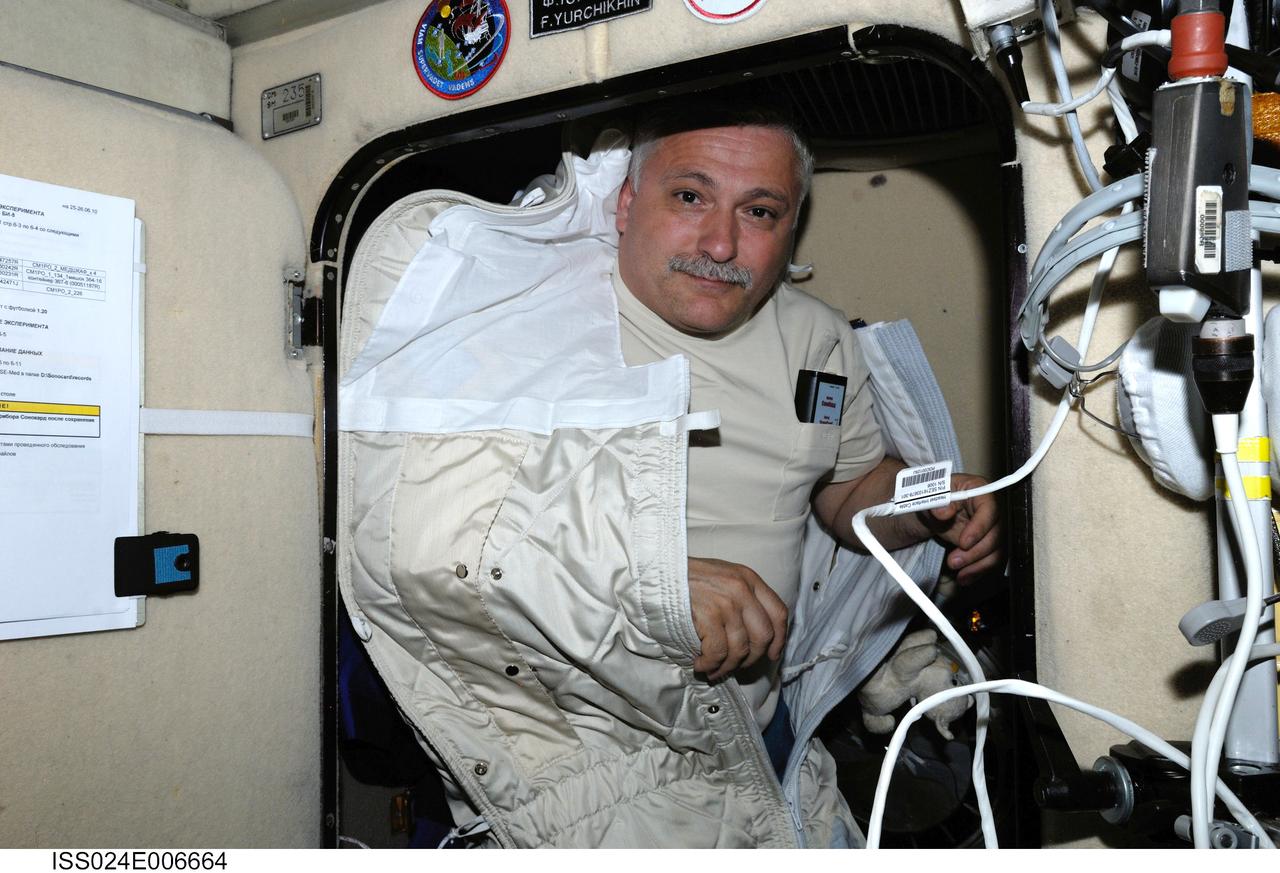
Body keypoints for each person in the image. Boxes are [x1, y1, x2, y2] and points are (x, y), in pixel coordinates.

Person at [610, 98, 1003, 755]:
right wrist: (652, 587)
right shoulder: (551, 331)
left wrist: (928, 503)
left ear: (791, 226)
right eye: (690, 197)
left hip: (760, 722)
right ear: (626, 203)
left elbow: (847, 492)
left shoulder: (817, 338)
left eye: (759, 211)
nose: (720, 244)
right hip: (591, 734)